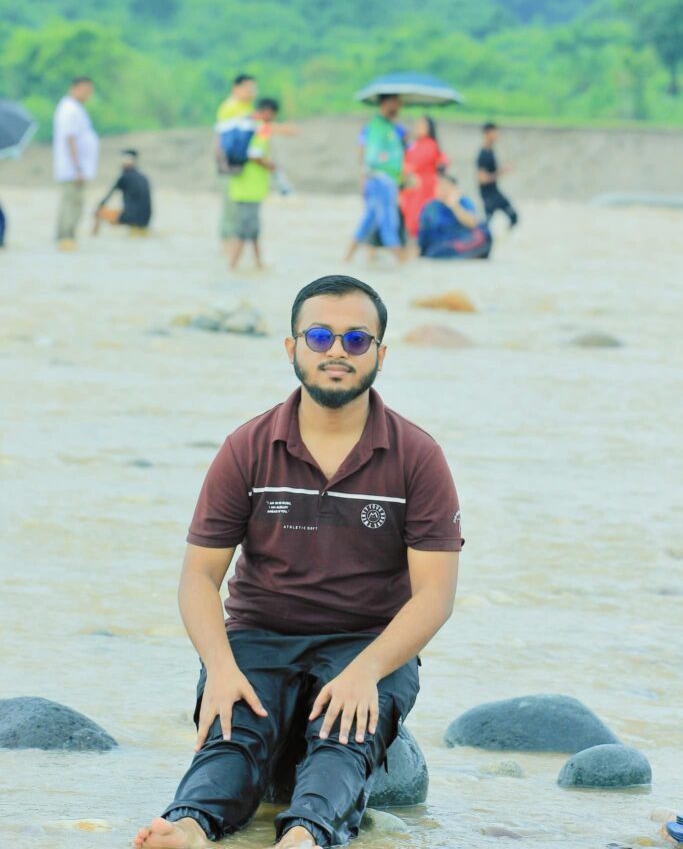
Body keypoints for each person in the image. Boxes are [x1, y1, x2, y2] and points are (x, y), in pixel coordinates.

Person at [132, 273, 462, 849]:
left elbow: (434, 594)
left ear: (381, 353)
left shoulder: (418, 456)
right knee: (234, 735)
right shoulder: (249, 446)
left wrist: (368, 669)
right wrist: (220, 666)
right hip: (259, 634)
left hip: (368, 640)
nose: (337, 350)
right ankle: (186, 826)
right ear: (292, 348)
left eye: (356, 340)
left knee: (343, 739)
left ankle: (306, 835)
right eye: (319, 336)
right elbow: (199, 577)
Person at [346, 95, 405, 263]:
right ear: (386, 103)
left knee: (370, 218)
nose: (399, 107)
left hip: (387, 179)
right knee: (388, 220)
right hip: (380, 180)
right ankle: (402, 262)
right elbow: (365, 154)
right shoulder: (376, 127)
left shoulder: (392, 128)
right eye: (396, 103)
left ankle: (347, 258)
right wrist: (363, 175)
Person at [226, 97, 279, 270]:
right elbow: (255, 154)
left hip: (240, 186)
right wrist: (269, 164)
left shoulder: (245, 123)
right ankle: (232, 266)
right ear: (267, 112)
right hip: (251, 188)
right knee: (245, 231)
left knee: (251, 230)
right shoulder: (262, 127)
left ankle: (257, 264)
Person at [53, 77, 99, 250]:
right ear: (77, 88)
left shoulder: (75, 108)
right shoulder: (69, 109)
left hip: (76, 168)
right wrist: (78, 168)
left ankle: (65, 238)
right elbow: (70, 138)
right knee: (72, 204)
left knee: (71, 203)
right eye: (87, 91)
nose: (89, 95)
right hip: (73, 169)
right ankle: (66, 238)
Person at [215, 75, 258, 256]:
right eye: (248, 88)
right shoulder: (230, 107)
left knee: (238, 209)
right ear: (236, 88)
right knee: (230, 208)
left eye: (254, 89)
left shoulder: (247, 108)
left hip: (243, 168)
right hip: (230, 167)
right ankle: (227, 249)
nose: (252, 92)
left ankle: (233, 252)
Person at [418, 173, 492, 259]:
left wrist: (455, 206)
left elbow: (473, 224)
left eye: (446, 187)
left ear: (454, 189)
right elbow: (423, 237)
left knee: (485, 233)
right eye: (440, 187)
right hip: (442, 244)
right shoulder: (430, 207)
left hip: (464, 239)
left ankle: (468, 253)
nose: (443, 190)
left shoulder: (464, 202)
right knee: (437, 251)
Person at [399, 116, 448, 240]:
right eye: (417, 124)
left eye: (422, 125)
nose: (418, 127)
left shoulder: (431, 144)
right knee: (409, 215)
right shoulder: (413, 144)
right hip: (411, 187)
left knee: (419, 216)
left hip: (425, 188)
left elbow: (437, 161)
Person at [92, 150, 152, 234]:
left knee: (98, 212)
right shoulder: (143, 177)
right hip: (146, 219)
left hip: (130, 218)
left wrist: (99, 206)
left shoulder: (124, 176)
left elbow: (109, 195)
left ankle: (94, 234)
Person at [476, 122, 518, 227]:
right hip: (488, 195)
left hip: (494, 191)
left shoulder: (491, 151)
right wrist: (501, 172)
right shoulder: (483, 154)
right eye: (494, 132)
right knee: (486, 223)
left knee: (513, 217)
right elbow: (482, 179)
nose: (497, 134)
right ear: (487, 133)